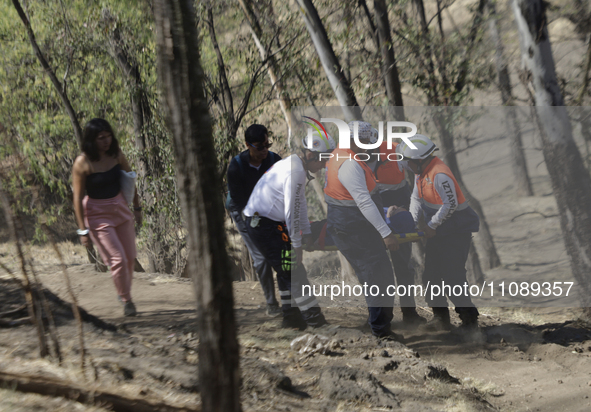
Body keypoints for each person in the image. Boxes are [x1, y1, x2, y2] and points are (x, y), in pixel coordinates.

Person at [243, 131, 335, 330]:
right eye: (323, 160)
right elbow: (291, 211)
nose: (324, 165)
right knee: (294, 270)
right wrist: (297, 244)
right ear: (310, 155)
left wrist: (307, 234)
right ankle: (316, 322)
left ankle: (291, 319)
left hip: (266, 222)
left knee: (286, 269)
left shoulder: (296, 166)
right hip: (262, 224)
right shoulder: (295, 171)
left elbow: (300, 203)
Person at [324, 121, 402, 340]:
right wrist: (386, 233)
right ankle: (381, 334)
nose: (370, 146)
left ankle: (376, 325)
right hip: (355, 229)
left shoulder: (339, 155)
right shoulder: (350, 164)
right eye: (367, 141)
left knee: (374, 277)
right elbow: (364, 202)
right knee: (379, 278)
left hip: (350, 226)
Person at [395, 134, 480, 330]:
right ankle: (441, 319)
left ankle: (470, 321)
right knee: (431, 276)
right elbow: (416, 200)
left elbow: (450, 205)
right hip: (441, 230)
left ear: (417, 160)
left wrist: (432, 225)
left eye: (407, 161)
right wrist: (412, 223)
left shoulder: (439, 174)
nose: (405, 164)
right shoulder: (420, 173)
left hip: (457, 231)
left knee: (453, 276)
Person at [72, 118, 142, 317]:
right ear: (91, 140)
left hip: (120, 209)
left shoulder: (116, 154)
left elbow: (130, 179)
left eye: (108, 136)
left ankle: (122, 292)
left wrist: (137, 208)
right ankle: (127, 300)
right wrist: (82, 230)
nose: (106, 141)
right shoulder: (82, 162)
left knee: (129, 257)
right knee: (118, 259)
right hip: (97, 215)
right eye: (101, 138)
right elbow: (77, 199)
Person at [369, 134, 427, 326]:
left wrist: (413, 220)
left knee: (404, 266)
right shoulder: (358, 157)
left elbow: (417, 180)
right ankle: (380, 316)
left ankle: (409, 313)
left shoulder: (396, 150)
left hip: (400, 206)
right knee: (377, 270)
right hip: (375, 207)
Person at [226, 124, 282, 316]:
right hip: (243, 210)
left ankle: (291, 299)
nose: (265, 150)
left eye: (268, 145)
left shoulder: (275, 161)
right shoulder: (236, 167)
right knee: (261, 256)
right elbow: (241, 203)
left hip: (268, 209)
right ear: (248, 145)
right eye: (260, 147)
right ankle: (271, 303)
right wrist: (257, 226)